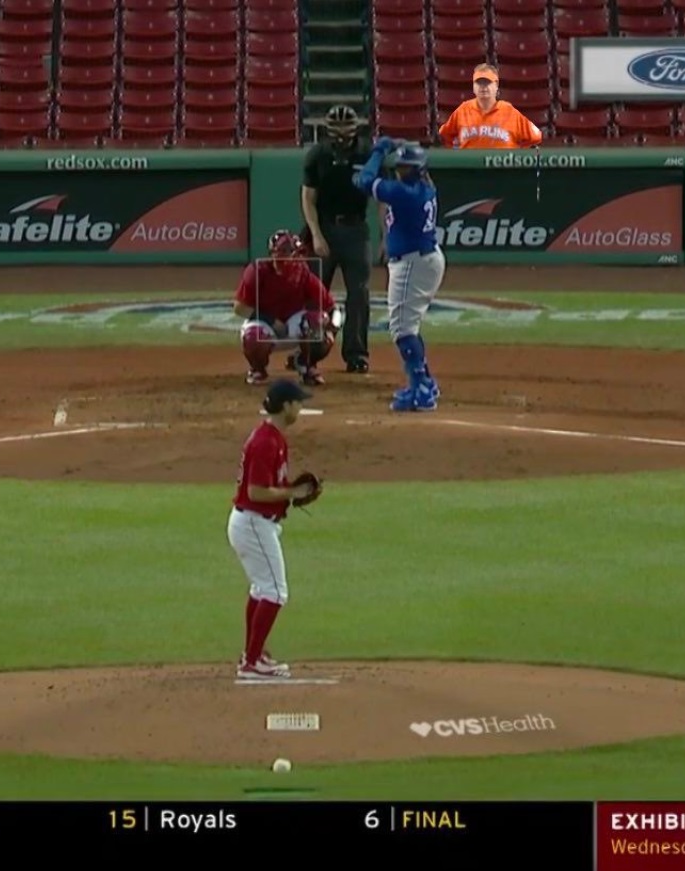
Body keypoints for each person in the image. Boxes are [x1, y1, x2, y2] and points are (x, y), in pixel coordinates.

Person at [229, 379, 321, 680]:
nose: (301, 407)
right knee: (275, 591)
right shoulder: (265, 442)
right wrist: (291, 494)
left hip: (254, 522)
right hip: (253, 522)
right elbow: (256, 492)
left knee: (261, 589)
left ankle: (252, 655)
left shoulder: (275, 437)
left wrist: (288, 491)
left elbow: (268, 487)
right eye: (298, 402)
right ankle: (252, 663)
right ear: (286, 406)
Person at [352, 138, 444, 412]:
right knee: (409, 326)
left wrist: (379, 151)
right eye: (400, 166)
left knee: (402, 330)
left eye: (406, 167)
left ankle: (421, 390)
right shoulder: (424, 187)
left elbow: (363, 181)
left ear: (417, 169)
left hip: (413, 263)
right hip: (422, 258)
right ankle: (424, 381)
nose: (401, 171)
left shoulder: (406, 194)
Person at [300, 104, 374, 375]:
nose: (342, 132)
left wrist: (387, 236)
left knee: (359, 294)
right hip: (325, 228)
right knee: (313, 294)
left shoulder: (368, 154)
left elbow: (382, 198)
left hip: (356, 229)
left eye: (347, 126)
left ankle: (356, 354)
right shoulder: (318, 154)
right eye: (337, 126)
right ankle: (307, 351)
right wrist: (316, 234)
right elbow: (308, 198)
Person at [234, 229, 343, 386]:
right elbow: (239, 308)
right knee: (253, 337)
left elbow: (332, 307)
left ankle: (305, 365)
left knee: (318, 323)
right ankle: (257, 369)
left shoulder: (303, 273)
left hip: (294, 326)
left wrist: (333, 327)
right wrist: (271, 320)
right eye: (287, 252)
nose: (294, 258)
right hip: (265, 326)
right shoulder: (257, 271)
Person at [436, 63, 543, 150]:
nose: (483, 87)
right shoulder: (463, 110)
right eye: (479, 83)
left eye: (487, 83)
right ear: (473, 87)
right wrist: (456, 153)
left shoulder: (509, 111)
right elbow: (445, 135)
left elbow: (536, 136)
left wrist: (518, 155)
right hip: (471, 171)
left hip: (501, 170)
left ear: (496, 86)